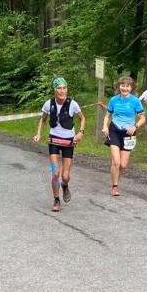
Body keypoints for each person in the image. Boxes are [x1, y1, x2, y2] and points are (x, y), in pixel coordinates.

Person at [34, 77, 85, 212]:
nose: (62, 91)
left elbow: (82, 118)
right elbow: (43, 119)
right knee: (55, 172)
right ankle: (56, 199)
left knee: (65, 175)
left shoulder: (73, 104)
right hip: (54, 141)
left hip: (69, 141)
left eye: (64, 88)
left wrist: (80, 133)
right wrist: (39, 133)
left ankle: (65, 185)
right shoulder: (48, 104)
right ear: (55, 90)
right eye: (59, 88)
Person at [102, 76, 146, 196]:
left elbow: (142, 118)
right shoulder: (113, 100)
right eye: (123, 85)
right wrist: (105, 126)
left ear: (131, 88)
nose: (125, 88)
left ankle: (114, 171)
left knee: (123, 165)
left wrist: (135, 126)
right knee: (116, 161)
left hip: (129, 133)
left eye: (127, 86)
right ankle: (115, 186)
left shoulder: (135, 101)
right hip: (115, 130)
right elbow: (107, 116)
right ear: (119, 86)